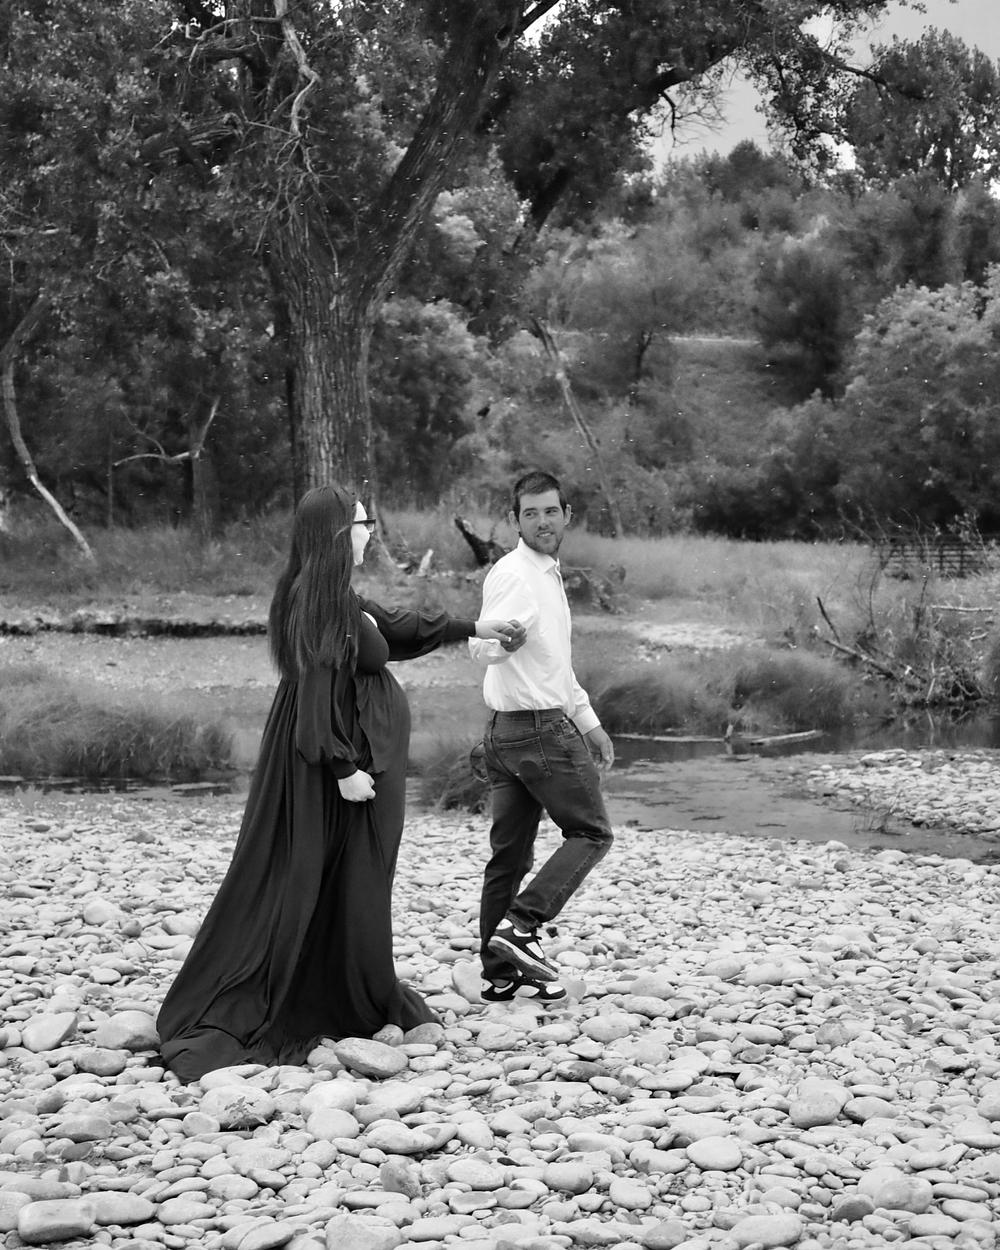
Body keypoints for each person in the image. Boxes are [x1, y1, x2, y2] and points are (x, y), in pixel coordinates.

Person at [157, 484, 519, 1082]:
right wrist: (343, 767)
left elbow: (394, 627)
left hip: (342, 763)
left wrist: (475, 626)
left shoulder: (334, 594)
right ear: (335, 533)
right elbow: (316, 692)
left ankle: (344, 985)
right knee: (336, 876)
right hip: (336, 770)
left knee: (348, 879)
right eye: (361, 523)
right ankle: (328, 995)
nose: (369, 533)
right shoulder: (317, 600)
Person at [469, 470, 615, 1005]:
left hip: (508, 734)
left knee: (509, 859)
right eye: (530, 514)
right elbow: (480, 646)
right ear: (515, 520)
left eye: (550, 511)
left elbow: (556, 663)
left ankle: (499, 973)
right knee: (592, 833)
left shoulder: (548, 575)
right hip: (538, 732)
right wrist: (502, 645)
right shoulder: (515, 574)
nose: (542, 522)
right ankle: (522, 927)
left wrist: (590, 723)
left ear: (566, 515)